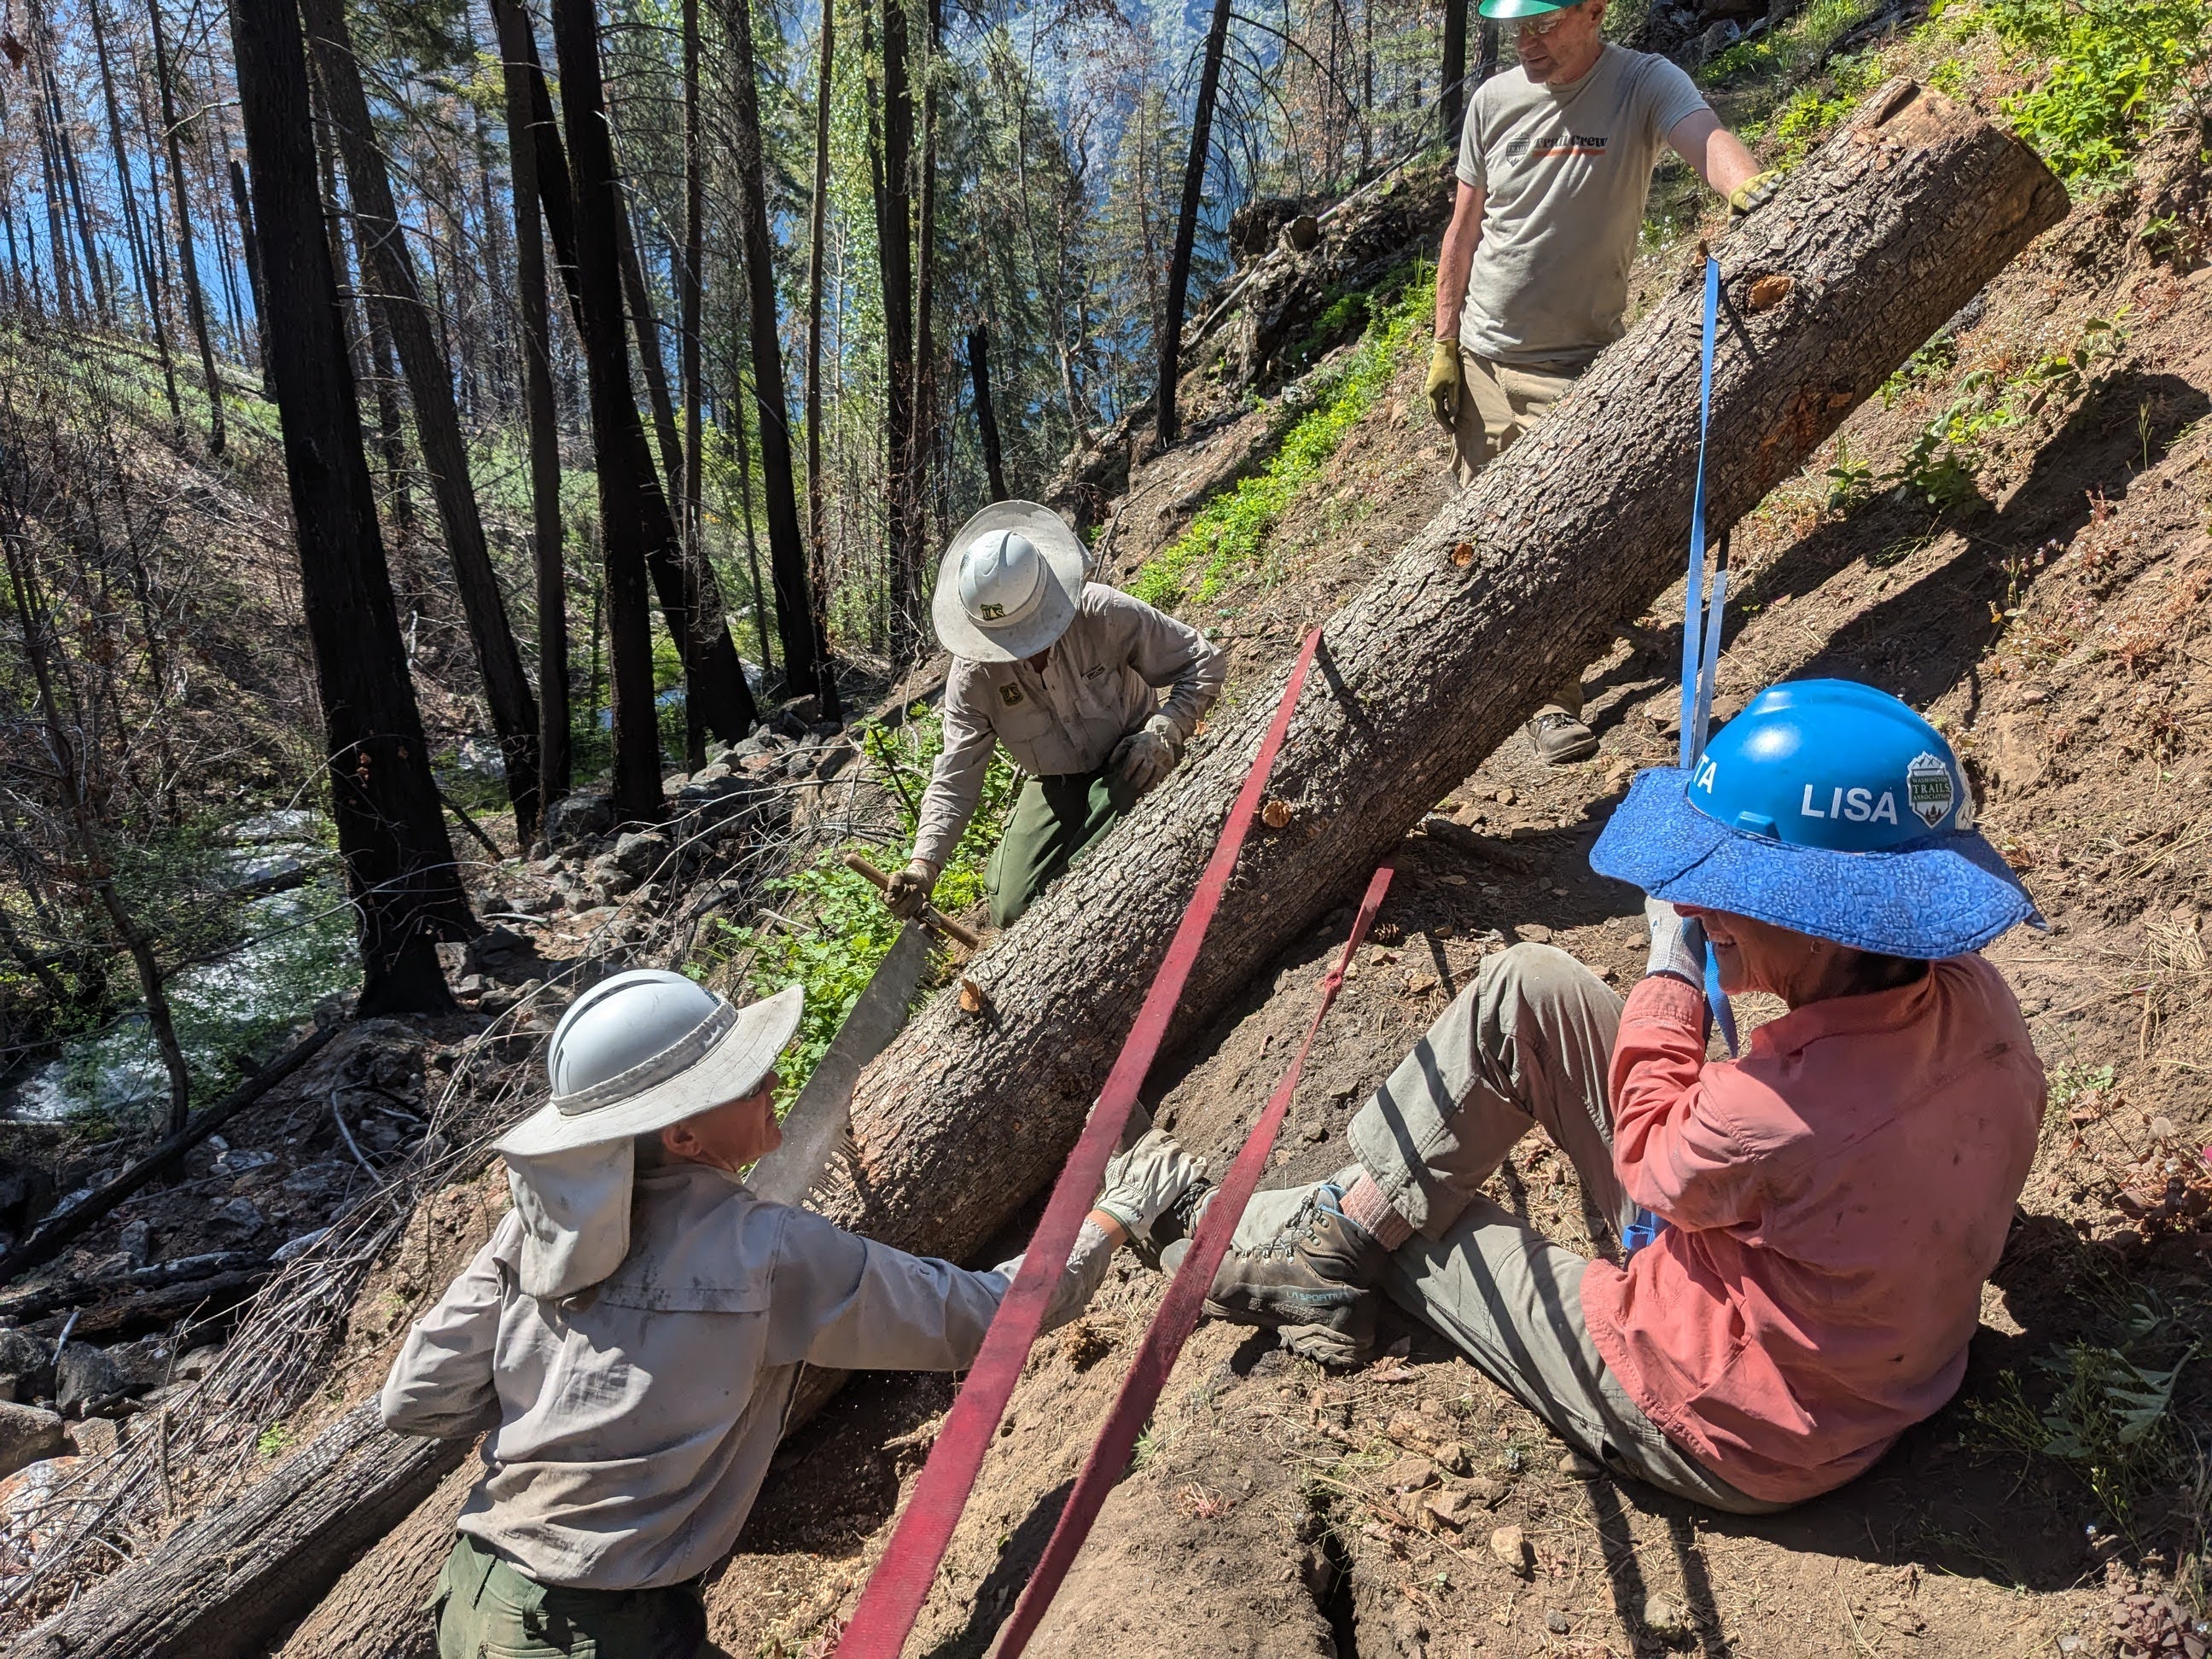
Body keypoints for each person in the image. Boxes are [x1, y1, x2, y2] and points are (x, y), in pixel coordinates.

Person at [1204, 680, 2049, 1511]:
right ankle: (1337, 1232)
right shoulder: (1977, 998)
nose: (1691, 902)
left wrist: (1671, 973)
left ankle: (1287, 1239)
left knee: (1423, 1216)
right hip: (1862, 1344)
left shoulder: (1773, 1115)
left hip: (1734, 1420)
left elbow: (1651, 1162)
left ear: (1825, 916)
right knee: (1525, 986)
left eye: (1732, 887)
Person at [382, 968, 1200, 1657]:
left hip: (474, 1595)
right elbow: (993, 1317)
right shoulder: (763, 1249)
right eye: (746, 1077)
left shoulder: (528, 1233)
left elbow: (414, 1400)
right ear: (681, 1135)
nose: (776, 1079)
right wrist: (1112, 1216)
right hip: (600, 1630)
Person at [1426, 0, 1776, 765]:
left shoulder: (1643, 83)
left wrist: (1752, 190)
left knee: (1562, 535)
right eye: (1515, 26)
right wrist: (1444, 341)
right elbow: (1464, 228)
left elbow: (1705, 138)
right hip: (1484, 361)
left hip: (1581, 367)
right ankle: (1550, 700)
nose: (1526, 41)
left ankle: (1579, 631)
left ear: (1594, 11)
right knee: (1500, 545)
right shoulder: (1492, 101)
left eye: (1544, 23)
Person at [885, 500, 1226, 930]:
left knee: (1091, 858)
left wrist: (1167, 727)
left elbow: (1203, 661)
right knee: (1010, 908)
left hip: (1133, 754)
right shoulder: (973, 678)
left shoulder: (1101, 613)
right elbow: (955, 775)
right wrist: (923, 866)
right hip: (1056, 781)